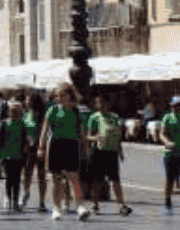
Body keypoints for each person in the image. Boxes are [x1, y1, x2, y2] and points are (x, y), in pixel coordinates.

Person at [38, 83, 91, 221]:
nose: (60, 97)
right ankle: (56, 208)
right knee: (57, 179)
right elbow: (45, 129)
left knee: (74, 177)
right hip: (56, 144)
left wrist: (85, 148)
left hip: (71, 145)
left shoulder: (76, 111)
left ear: (70, 95)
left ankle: (80, 206)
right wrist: (41, 147)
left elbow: (81, 132)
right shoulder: (53, 110)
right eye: (58, 95)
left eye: (63, 94)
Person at [85, 92, 131, 216]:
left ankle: (122, 205)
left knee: (115, 179)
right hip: (99, 152)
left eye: (103, 103)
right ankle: (95, 204)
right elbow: (88, 136)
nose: (101, 105)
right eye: (99, 103)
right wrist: (97, 138)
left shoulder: (114, 117)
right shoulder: (94, 117)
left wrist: (120, 151)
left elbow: (118, 135)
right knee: (97, 180)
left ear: (108, 104)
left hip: (112, 151)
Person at [0, 99, 26, 212]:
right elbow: (0, 139)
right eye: (12, 111)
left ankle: (15, 200)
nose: (14, 113)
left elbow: (24, 140)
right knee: (9, 178)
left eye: (17, 111)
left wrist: (24, 152)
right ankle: (8, 198)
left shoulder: (22, 124)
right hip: (6, 154)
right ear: (9, 111)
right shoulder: (4, 124)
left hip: (18, 155)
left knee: (17, 179)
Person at [22, 91, 49, 212]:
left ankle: (42, 201)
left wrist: (40, 144)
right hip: (27, 147)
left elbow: (44, 131)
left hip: (39, 146)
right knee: (27, 172)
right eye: (26, 99)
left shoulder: (41, 114)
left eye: (29, 99)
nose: (27, 101)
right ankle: (25, 193)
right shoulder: (25, 114)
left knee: (41, 175)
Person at [161, 95, 180, 210]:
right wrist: (167, 142)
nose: (176, 108)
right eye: (174, 106)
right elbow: (162, 133)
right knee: (170, 178)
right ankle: (167, 200)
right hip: (170, 153)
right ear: (171, 106)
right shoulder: (167, 118)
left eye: (178, 106)